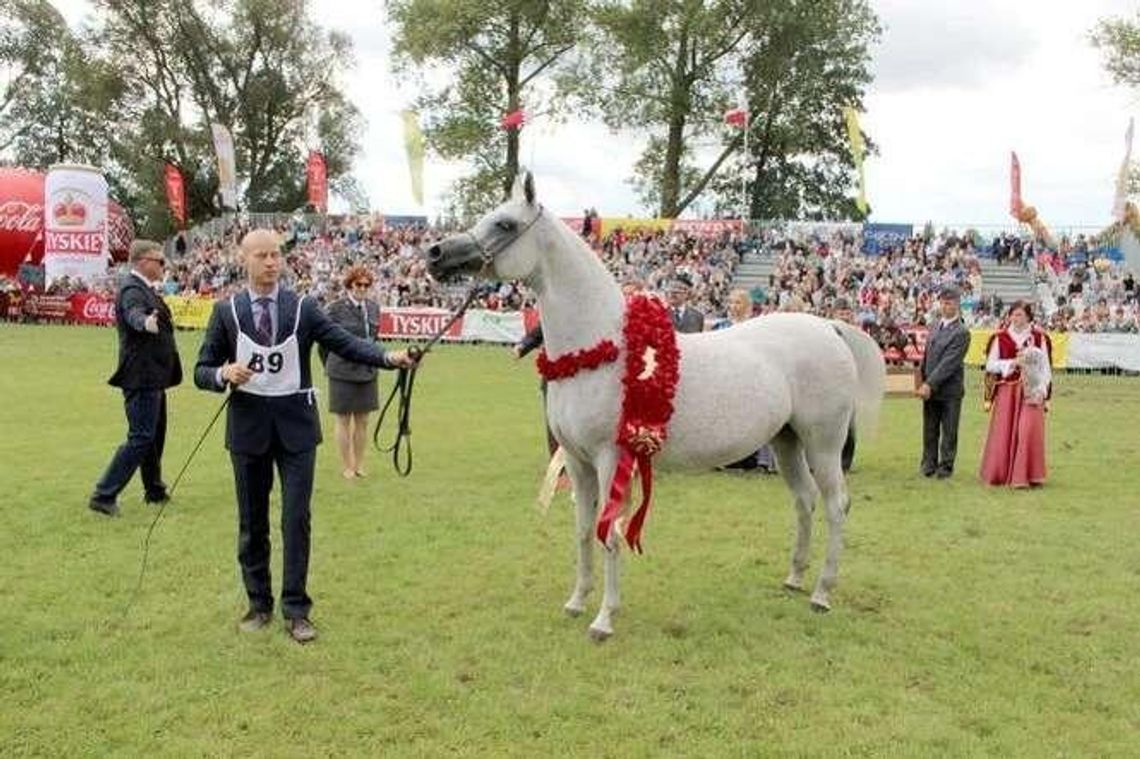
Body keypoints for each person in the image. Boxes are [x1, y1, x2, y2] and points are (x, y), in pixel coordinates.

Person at [193, 229, 418, 644]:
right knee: (252, 521)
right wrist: (222, 373)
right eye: (261, 255)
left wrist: (389, 358)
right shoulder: (227, 311)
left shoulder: (303, 308)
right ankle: (258, 604)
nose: (271, 262)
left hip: (297, 429)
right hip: (247, 430)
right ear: (244, 259)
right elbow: (201, 369)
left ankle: (296, 609)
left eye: (276, 254)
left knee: (296, 519)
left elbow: (346, 343)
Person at [89, 240, 183, 516]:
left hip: (153, 375)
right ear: (142, 261)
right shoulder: (132, 288)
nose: (163, 266)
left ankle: (154, 489)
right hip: (141, 376)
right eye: (159, 261)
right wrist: (145, 322)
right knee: (141, 436)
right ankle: (104, 494)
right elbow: (133, 314)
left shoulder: (143, 288)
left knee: (153, 436)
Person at [979, 301, 1052, 487]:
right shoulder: (1000, 337)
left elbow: (1046, 367)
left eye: (1020, 315)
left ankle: (1028, 475)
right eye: (1014, 314)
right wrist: (1011, 364)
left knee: (1028, 430)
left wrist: (1043, 389)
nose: (1016, 318)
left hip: (1032, 390)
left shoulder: (1039, 337)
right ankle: (1001, 473)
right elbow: (990, 364)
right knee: (1003, 432)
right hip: (1008, 390)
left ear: (1028, 317)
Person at [322, 265, 382, 479]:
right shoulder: (334, 308)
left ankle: (359, 464)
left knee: (363, 420)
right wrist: (330, 365)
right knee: (344, 420)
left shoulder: (374, 308)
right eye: (358, 284)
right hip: (342, 371)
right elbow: (324, 343)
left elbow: (375, 340)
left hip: (367, 370)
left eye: (367, 285)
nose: (363, 289)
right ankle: (347, 465)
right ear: (349, 285)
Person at [712, 289, 775, 473]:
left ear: (747, 306)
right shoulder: (720, 327)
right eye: (730, 302)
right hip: (725, 381)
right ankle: (727, 458)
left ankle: (756, 459)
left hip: (750, 381)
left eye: (737, 302)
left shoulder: (756, 329)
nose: (733, 306)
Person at [916, 284, 971, 478]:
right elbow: (927, 356)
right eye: (943, 302)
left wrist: (929, 383)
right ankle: (928, 464)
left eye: (950, 302)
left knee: (949, 431)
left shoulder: (962, 332)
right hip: (930, 388)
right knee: (929, 429)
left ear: (957, 304)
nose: (946, 306)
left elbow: (949, 363)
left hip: (949, 390)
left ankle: (946, 466)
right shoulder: (935, 326)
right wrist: (920, 378)